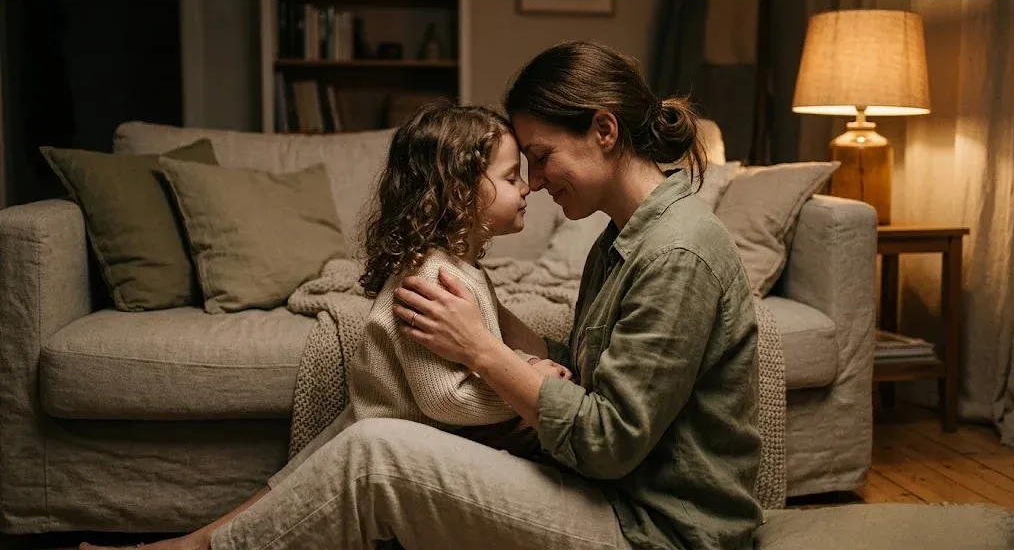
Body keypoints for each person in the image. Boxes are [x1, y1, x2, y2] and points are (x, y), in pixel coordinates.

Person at [88, 40, 763, 550]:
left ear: (605, 131)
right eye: (521, 163)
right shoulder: (623, 238)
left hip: (657, 530)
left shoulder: (675, 251)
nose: (533, 179)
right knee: (361, 432)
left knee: (375, 451)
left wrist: (480, 351)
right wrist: (501, 328)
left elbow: (609, 438)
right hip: (616, 495)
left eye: (541, 154)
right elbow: (600, 379)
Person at [80, 102, 570, 550]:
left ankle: (173, 547)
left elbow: (478, 352)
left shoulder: (465, 269)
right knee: (276, 513)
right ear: (459, 194)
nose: (527, 187)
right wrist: (528, 385)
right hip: (393, 428)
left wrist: (527, 367)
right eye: (510, 179)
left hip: (387, 421)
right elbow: (445, 397)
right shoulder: (434, 276)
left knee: (276, 498)